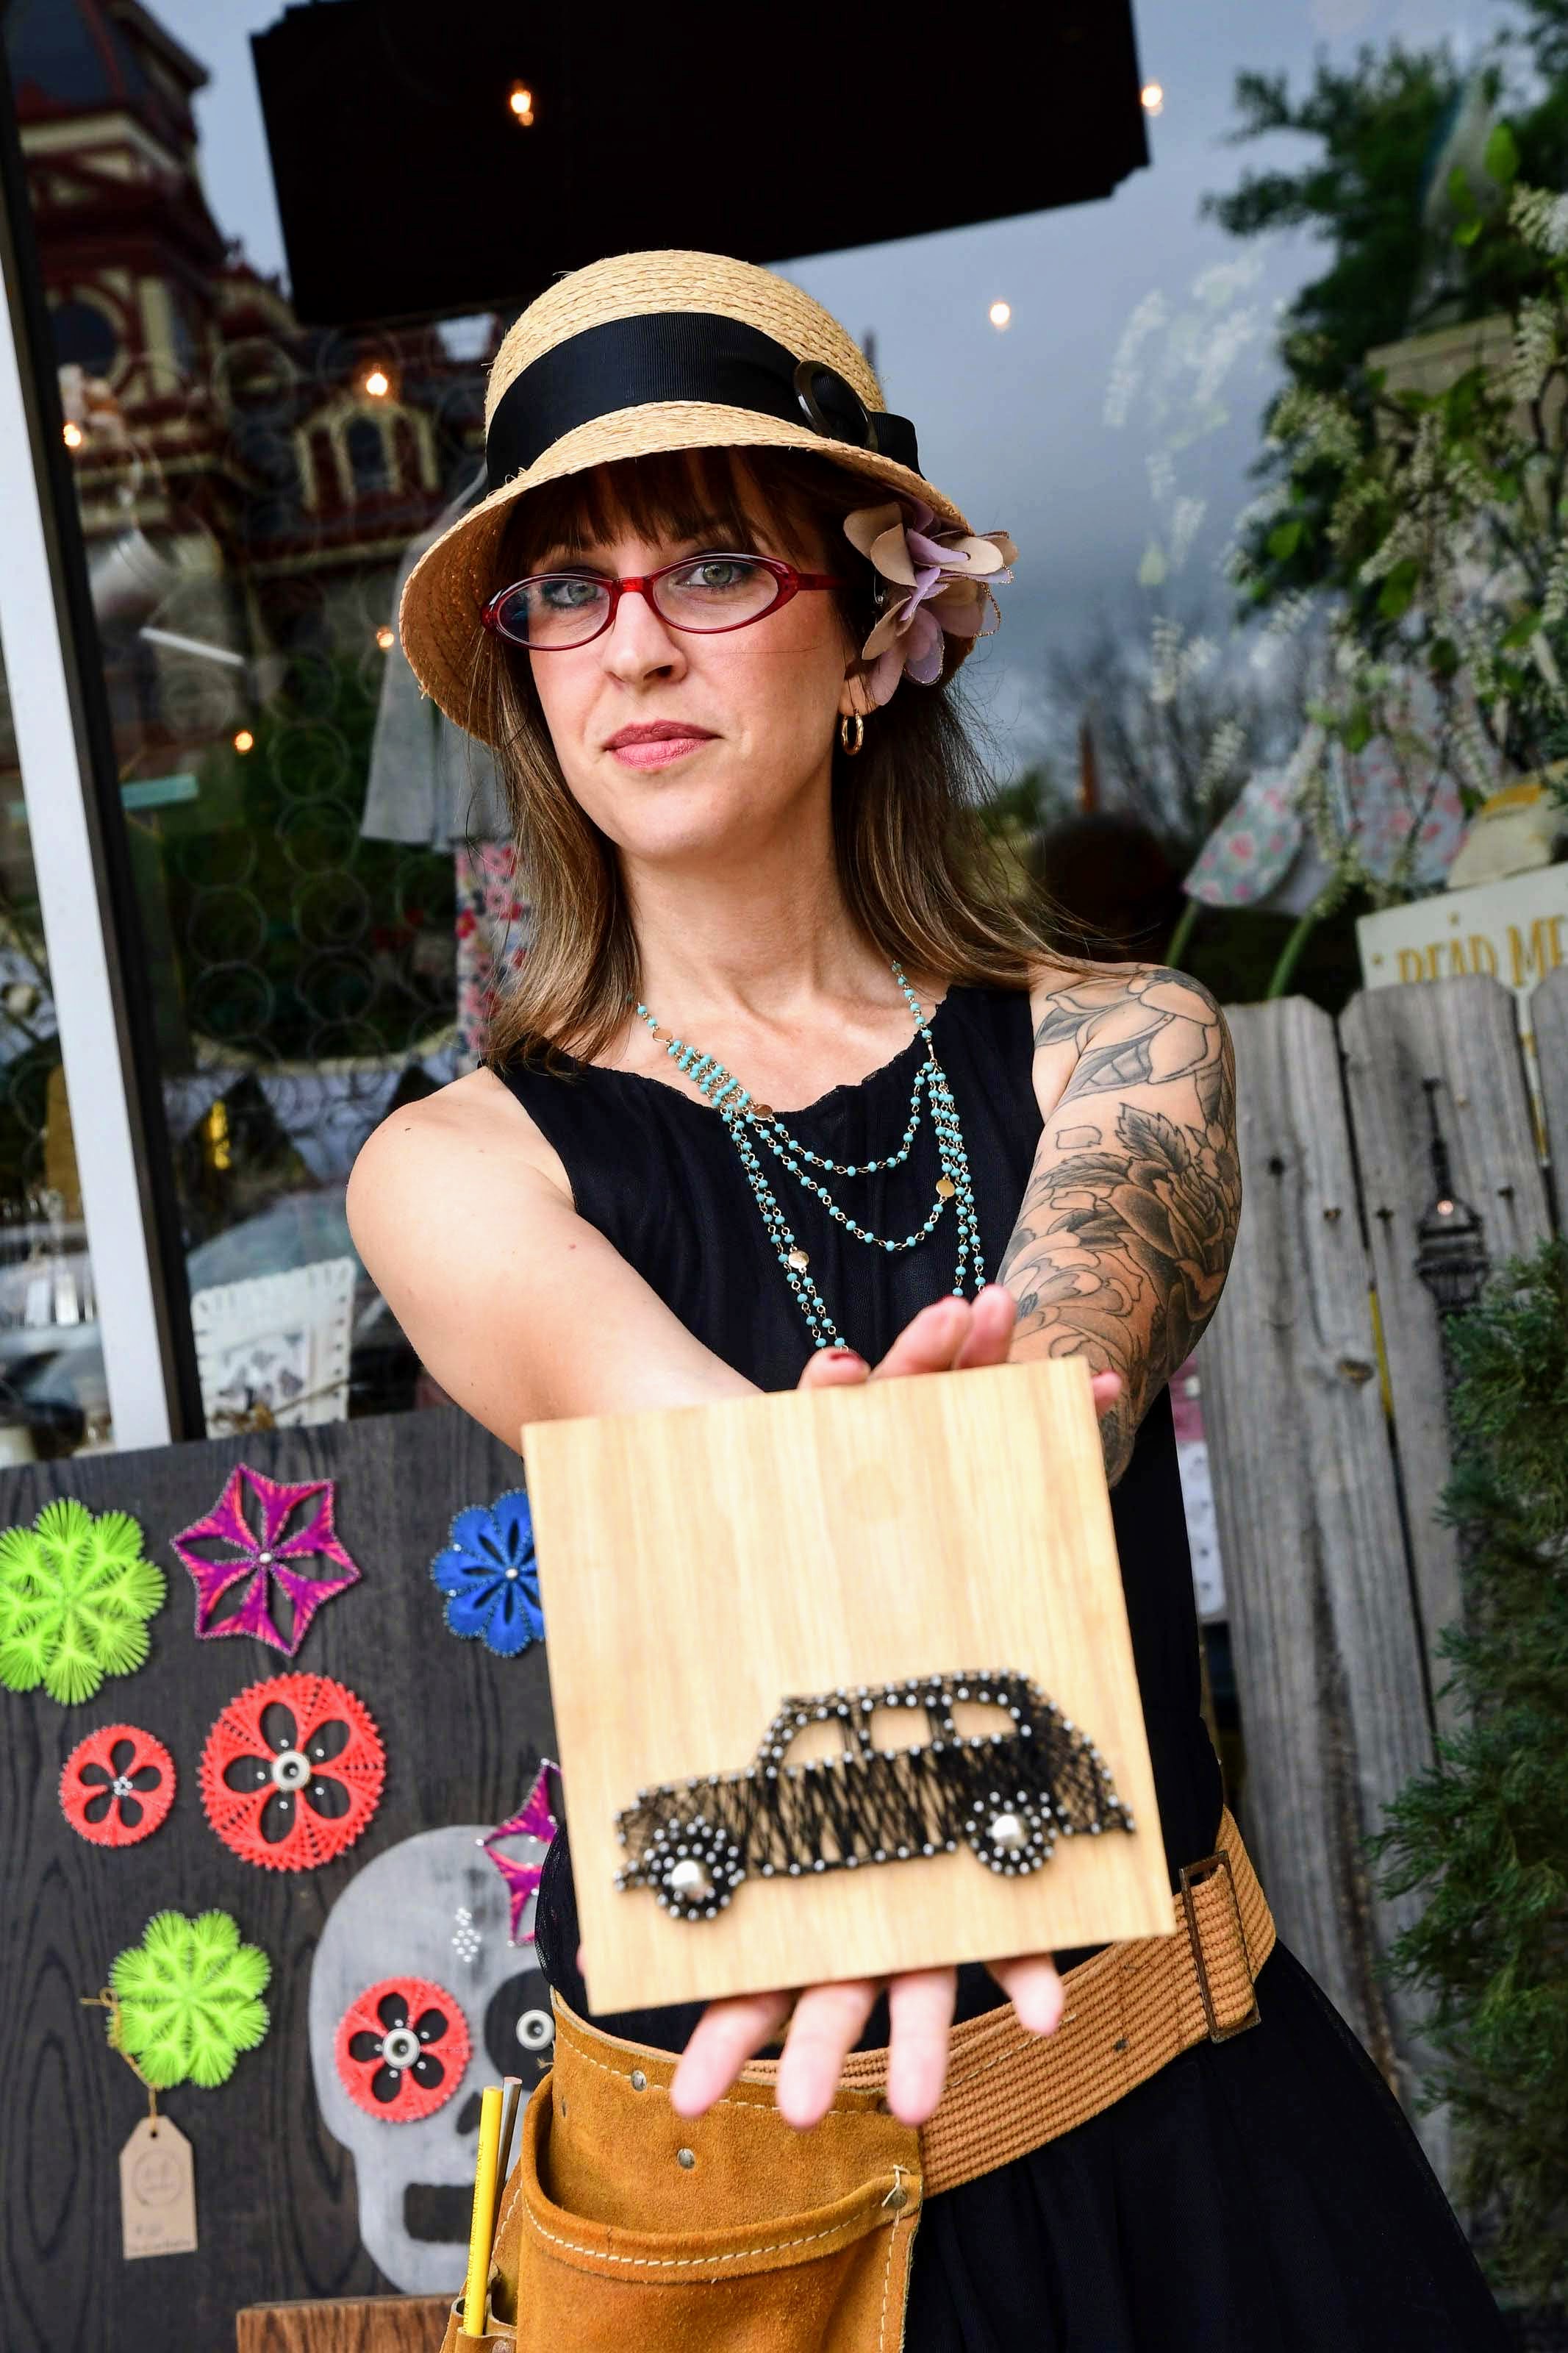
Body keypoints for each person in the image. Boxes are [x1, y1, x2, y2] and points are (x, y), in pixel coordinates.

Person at [348, 251, 1504, 2352]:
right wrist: (927, 1563)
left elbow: (1072, 1347)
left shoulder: (1123, 1041)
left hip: (1182, 2156)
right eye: (569, 591)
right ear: (526, 677)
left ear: (879, 631)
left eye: (715, 567)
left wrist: (1002, 1436)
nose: (634, 643)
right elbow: (718, 1465)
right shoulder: (454, 1169)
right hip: (738, 2228)